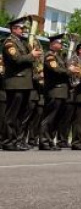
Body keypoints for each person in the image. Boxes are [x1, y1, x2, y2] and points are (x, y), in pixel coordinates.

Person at [2, 17, 42, 151]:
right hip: (15, 82)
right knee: (12, 114)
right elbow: (16, 59)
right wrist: (31, 56)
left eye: (24, 28)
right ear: (14, 29)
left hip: (25, 83)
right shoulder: (9, 42)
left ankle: (17, 140)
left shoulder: (22, 42)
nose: (24, 30)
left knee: (20, 114)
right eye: (21, 28)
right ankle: (8, 141)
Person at [39, 34, 70, 150]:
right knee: (49, 118)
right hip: (54, 91)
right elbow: (56, 70)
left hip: (61, 91)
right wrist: (69, 71)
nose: (61, 45)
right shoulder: (49, 56)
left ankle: (50, 140)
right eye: (59, 43)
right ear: (53, 44)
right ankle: (44, 141)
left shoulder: (59, 57)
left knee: (56, 118)